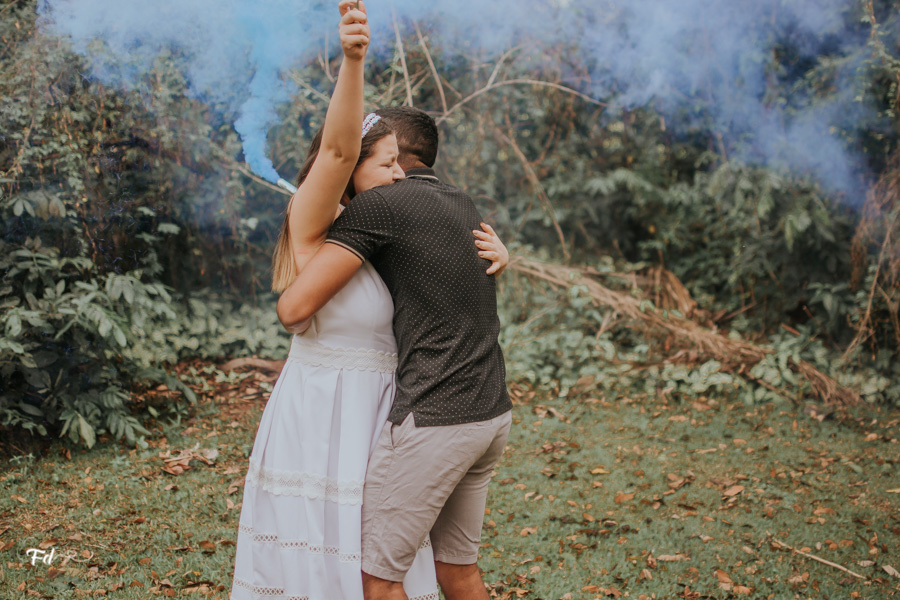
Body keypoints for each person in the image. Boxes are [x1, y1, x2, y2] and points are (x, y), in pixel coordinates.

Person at [229, 2, 508, 600]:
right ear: (352, 171)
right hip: (324, 411)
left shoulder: (379, 237)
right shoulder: (311, 221)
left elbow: (445, 294)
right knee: (332, 555)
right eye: (384, 166)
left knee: (381, 557)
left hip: (393, 410)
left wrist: (495, 257)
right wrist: (353, 60)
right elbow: (333, 152)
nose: (400, 179)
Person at [276, 104, 513, 600]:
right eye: (386, 165)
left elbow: (294, 308)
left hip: (434, 418)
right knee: (459, 572)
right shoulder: (461, 204)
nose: (397, 175)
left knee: (379, 582)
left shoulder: (383, 207)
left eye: (394, 161)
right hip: (490, 410)